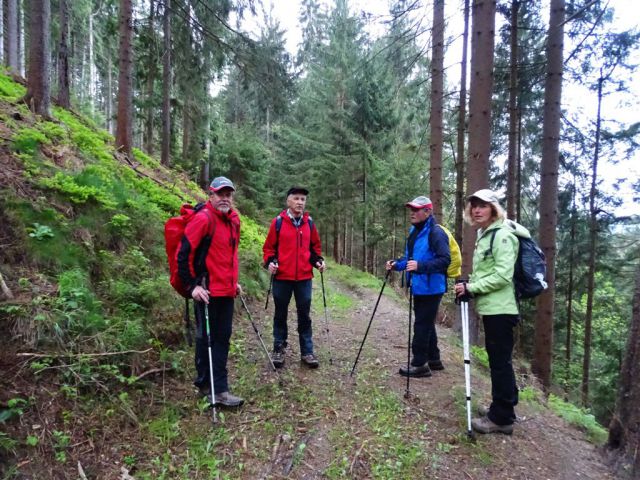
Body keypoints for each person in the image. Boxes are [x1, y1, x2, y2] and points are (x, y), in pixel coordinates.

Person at [454, 188, 527, 435]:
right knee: (499, 360)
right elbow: (489, 272)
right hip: (494, 307)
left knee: (499, 362)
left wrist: (471, 287)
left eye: (483, 205)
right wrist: (470, 282)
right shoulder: (486, 234)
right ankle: (502, 408)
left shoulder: (502, 236)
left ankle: (502, 417)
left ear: (493, 209)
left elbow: (503, 275)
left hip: (501, 308)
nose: (476, 209)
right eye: (473, 205)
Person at [177, 176, 244, 408]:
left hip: (226, 291)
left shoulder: (233, 221)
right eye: (220, 194)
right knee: (207, 339)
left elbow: (227, 257)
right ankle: (209, 387)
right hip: (206, 292)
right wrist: (192, 286)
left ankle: (218, 387)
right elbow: (183, 256)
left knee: (222, 339)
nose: (225, 198)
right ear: (211, 195)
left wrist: (233, 282)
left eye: (228, 194)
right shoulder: (203, 219)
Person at [385, 196, 450, 378]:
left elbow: (445, 260)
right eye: (411, 210)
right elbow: (409, 259)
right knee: (426, 322)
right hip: (419, 286)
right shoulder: (414, 231)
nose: (412, 213)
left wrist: (420, 266)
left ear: (427, 212)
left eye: (416, 210)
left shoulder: (436, 233)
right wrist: (396, 264)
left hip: (432, 288)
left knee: (421, 324)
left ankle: (420, 364)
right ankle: (434, 359)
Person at [263, 187, 325, 369]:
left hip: (304, 277)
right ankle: (278, 349)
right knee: (280, 313)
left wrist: (318, 261)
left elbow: (315, 249)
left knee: (304, 315)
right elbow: (268, 249)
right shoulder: (278, 223)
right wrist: (270, 263)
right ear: (288, 201)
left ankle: (307, 351)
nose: (300, 202)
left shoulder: (309, 224)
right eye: (296, 198)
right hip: (282, 277)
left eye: (303, 199)